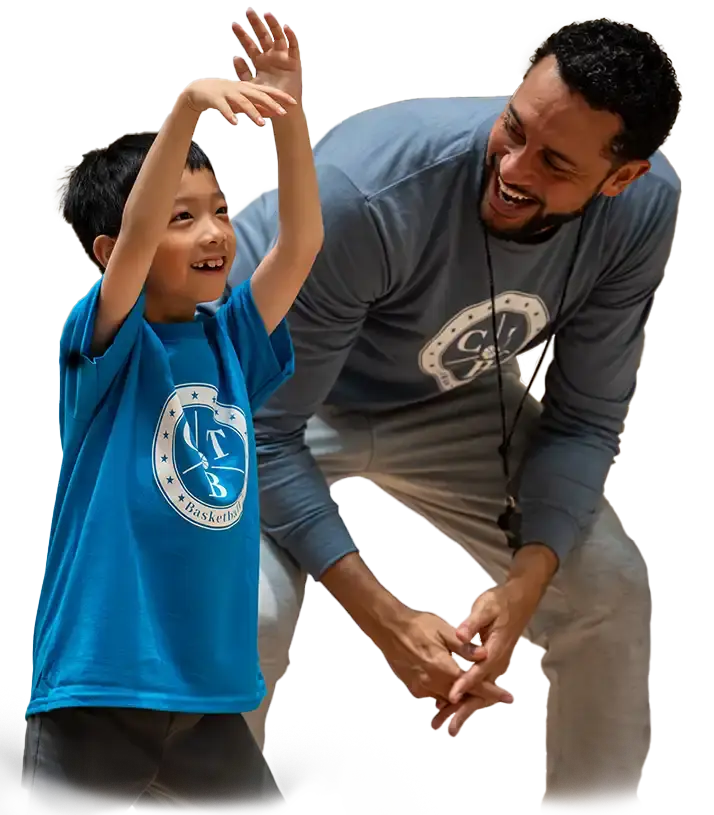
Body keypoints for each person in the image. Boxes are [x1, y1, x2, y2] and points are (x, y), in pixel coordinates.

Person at [200, 16, 683, 815]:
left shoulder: (640, 213)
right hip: (252, 395)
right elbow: (264, 430)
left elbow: (587, 418)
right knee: (244, 615)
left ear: (620, 178)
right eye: (513, 128)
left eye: (555, 162)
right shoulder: (364, 193)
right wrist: (388, 619)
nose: (514, 168)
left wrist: (530, 578)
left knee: (608, 587)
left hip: (434, 392)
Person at [22, 10, 323, 815]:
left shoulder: (232, 341)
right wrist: (187, 106)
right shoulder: (107, 341)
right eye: (180, 218)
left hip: (205, 700)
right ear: (111, 251)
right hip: (100, 685)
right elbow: (133, 250)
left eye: (219, 209)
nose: (213, 232)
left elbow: (298, 243)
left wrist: (288, 111)